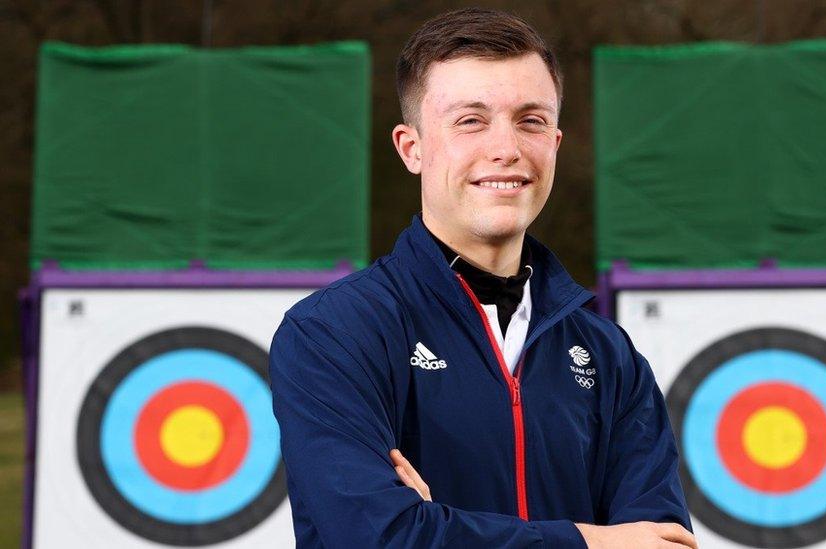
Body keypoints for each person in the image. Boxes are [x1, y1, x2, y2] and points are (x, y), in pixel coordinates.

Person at [269, 8, 696, 548]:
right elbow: (376, 538)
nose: (507, 149)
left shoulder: (609, 355)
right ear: (411, 148)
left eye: (531, 120)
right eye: (470, 120)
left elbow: (662, 544)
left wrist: (436, 529)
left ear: (556, 144)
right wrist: (594, 541)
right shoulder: (333, 333)